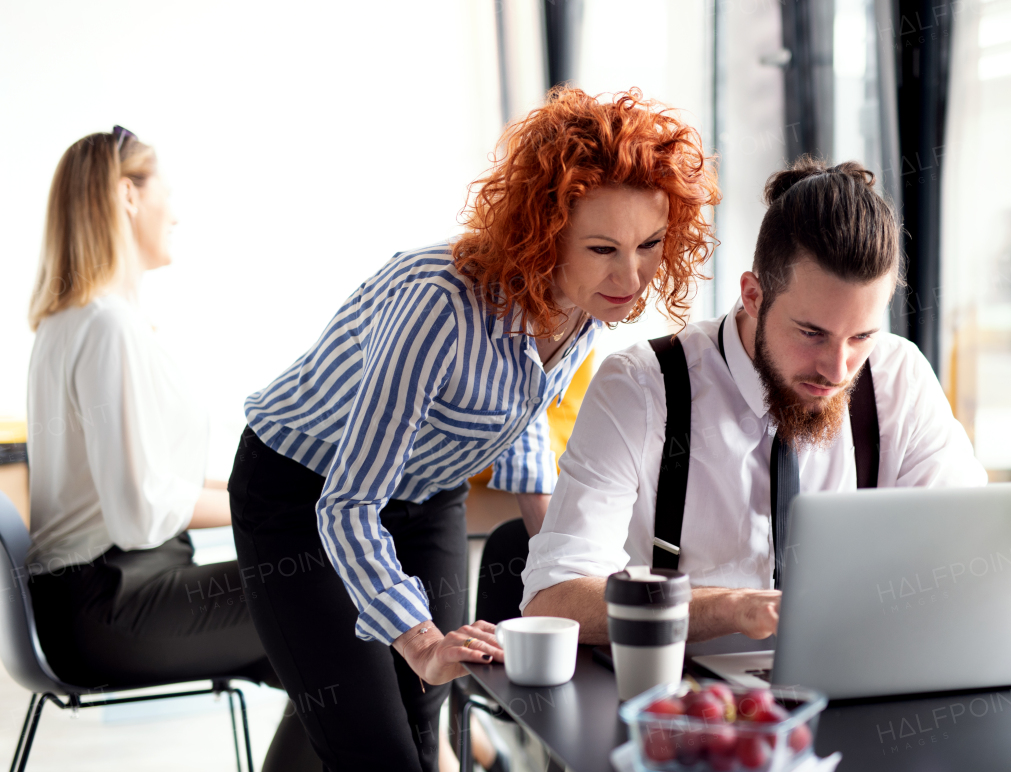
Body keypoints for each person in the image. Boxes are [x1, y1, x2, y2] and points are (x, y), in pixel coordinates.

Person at [228, 87, 719, 771]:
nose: (631, 276)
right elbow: (346, 505)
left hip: (426, 492)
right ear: (546, 234)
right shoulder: (438, 310)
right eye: (604, 247)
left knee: (420, 731)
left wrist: (562, 555)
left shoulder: (582, 303)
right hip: (302, 494)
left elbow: (517, 406)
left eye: (650, 245)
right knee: (375, 745)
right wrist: (421, 637)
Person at [521, 158, 988, 643]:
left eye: (863, 336)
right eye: (812, 333)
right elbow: (552, 600)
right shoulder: (640, 388)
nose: (838, 369)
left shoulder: (898, 378)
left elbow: (969, 557)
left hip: (855, 690)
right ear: (753, 295)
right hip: (686, 701)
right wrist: (731, 608)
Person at [25, 127, 320, 770]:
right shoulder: (106, 327)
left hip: (94, 597)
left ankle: (446, 752)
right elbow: (142, 509)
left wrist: (283, 496)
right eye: (166, 188)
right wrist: (283, 513)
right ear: (126, 195)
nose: (177, 210)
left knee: (339, 669)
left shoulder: (71, 322)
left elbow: (156, 483)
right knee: (334, 603)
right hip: (112, 603)